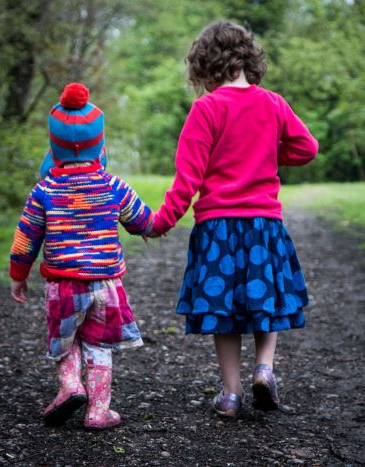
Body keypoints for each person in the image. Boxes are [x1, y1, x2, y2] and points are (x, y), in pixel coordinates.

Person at [147, 21, 319, 419]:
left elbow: (186, 180)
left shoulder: (205, 109)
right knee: (266, 302)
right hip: (263, 226)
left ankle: (230, 393)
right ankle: (264, 369)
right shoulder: (273, 103)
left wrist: (161, 222)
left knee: (223, 312)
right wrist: (268, 154)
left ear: (205, 67)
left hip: (217, 229)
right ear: (249, 61)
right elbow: (307, 147)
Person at [9, 83, 153, 429]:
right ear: (99, 143)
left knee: (66, 339)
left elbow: (26, 236)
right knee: (99, 345)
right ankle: (98, 412)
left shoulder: (45, 189)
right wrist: (154, 227)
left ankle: (71, 386)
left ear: (54, 147)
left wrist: (18, 274)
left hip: (63, 283)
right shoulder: (113, 185)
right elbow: (141, 218)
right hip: (106, 283)